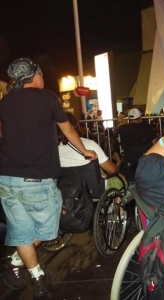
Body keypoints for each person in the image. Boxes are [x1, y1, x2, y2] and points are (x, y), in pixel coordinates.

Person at [0, 57, 97, 299]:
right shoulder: (47, 98)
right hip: (36, 180)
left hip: (5, 179)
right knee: (48, 230)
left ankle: (37, 277)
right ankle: (14, 260)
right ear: (36, 75)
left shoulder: (5, 101)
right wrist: (86, 151)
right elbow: (68, 130)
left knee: (22, 232)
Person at [117, 108, 157, 182]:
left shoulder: (122, 129)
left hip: (129, 158)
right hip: (145, 157)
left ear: (129, 118)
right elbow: (154, 142)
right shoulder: (147, 128)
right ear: (140, 118)